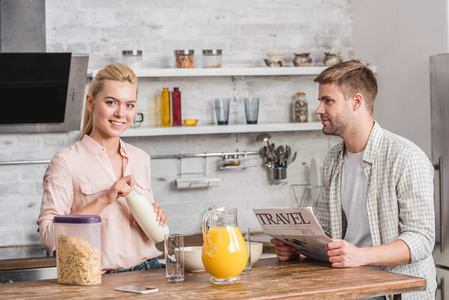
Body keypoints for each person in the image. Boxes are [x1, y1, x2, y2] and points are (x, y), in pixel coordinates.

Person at [271, 60, 436, 300]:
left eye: (328, 101)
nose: (318, 109)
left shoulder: (406, 157)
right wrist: (300, 249)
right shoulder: (333, 159)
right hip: (348, 282)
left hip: (393, 289)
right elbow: (328, 233)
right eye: (320, 101)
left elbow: (421, 240)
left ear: (356, 102)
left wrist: (362, 256)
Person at [37, 63, 168, 273]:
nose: (120, 113)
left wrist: (154, 217)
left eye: (129, 105)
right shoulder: (66, 162)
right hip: (99, 279)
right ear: (90, 103)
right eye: (111, 102)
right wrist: (104, 200)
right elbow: (47, 238)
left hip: (150, 272)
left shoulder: (141, 158)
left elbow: (145, 228)